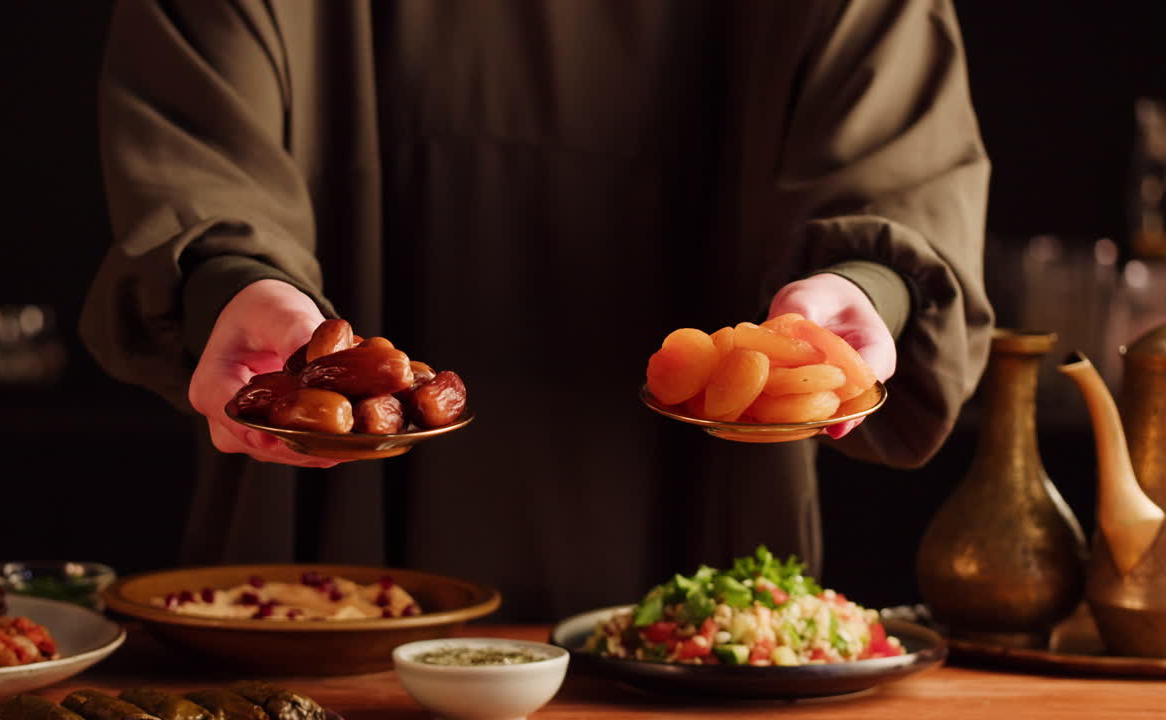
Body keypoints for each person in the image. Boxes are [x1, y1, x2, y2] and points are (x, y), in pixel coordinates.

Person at [80, 0, 994, 620]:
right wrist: (235, 279)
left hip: (696, 583)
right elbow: (198, 132)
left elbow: (895, 137)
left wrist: (859, 290)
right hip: (319, 578)